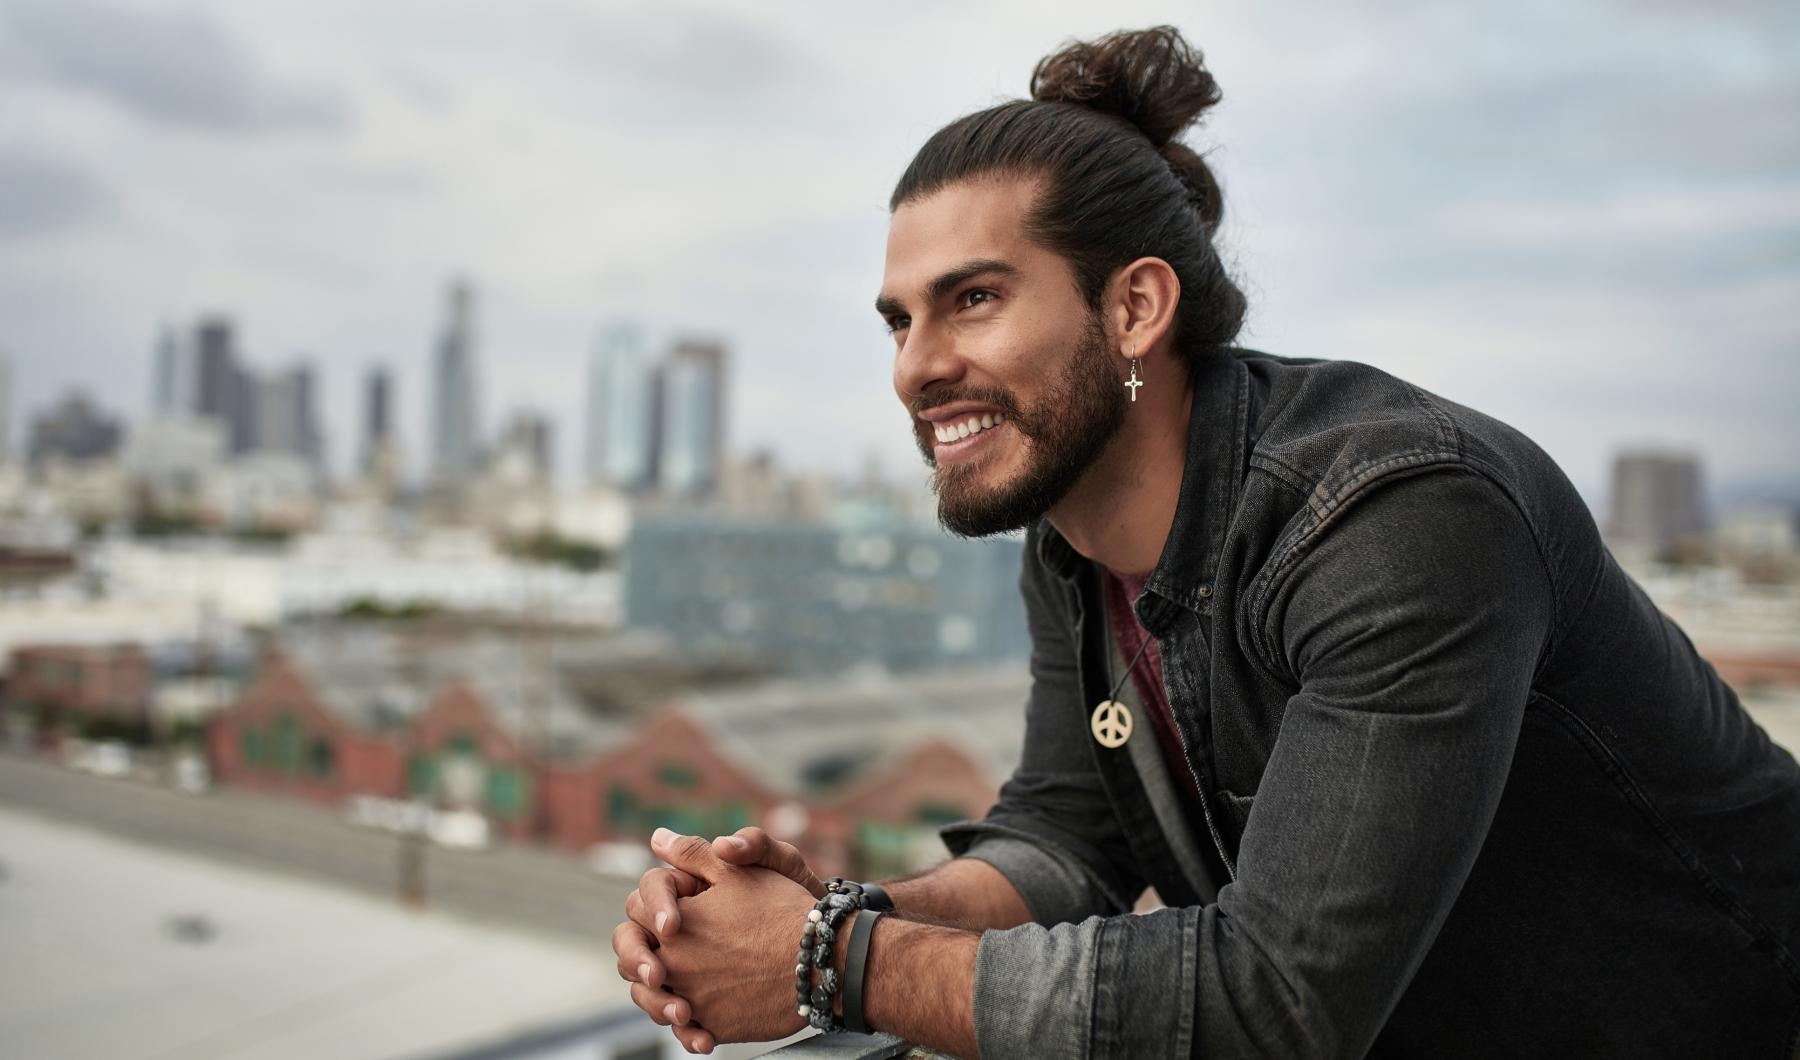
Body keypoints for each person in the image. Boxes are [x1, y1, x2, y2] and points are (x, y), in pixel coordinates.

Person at [611, 26, 1800, 1059]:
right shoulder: (1072, 533)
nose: (915, 367)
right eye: (899, 320)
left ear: (1135, 306)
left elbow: (1279, 1001)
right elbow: (1067, 838)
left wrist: (834, 958)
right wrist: (833, 909)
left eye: (972, 299)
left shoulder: (1397, 519)